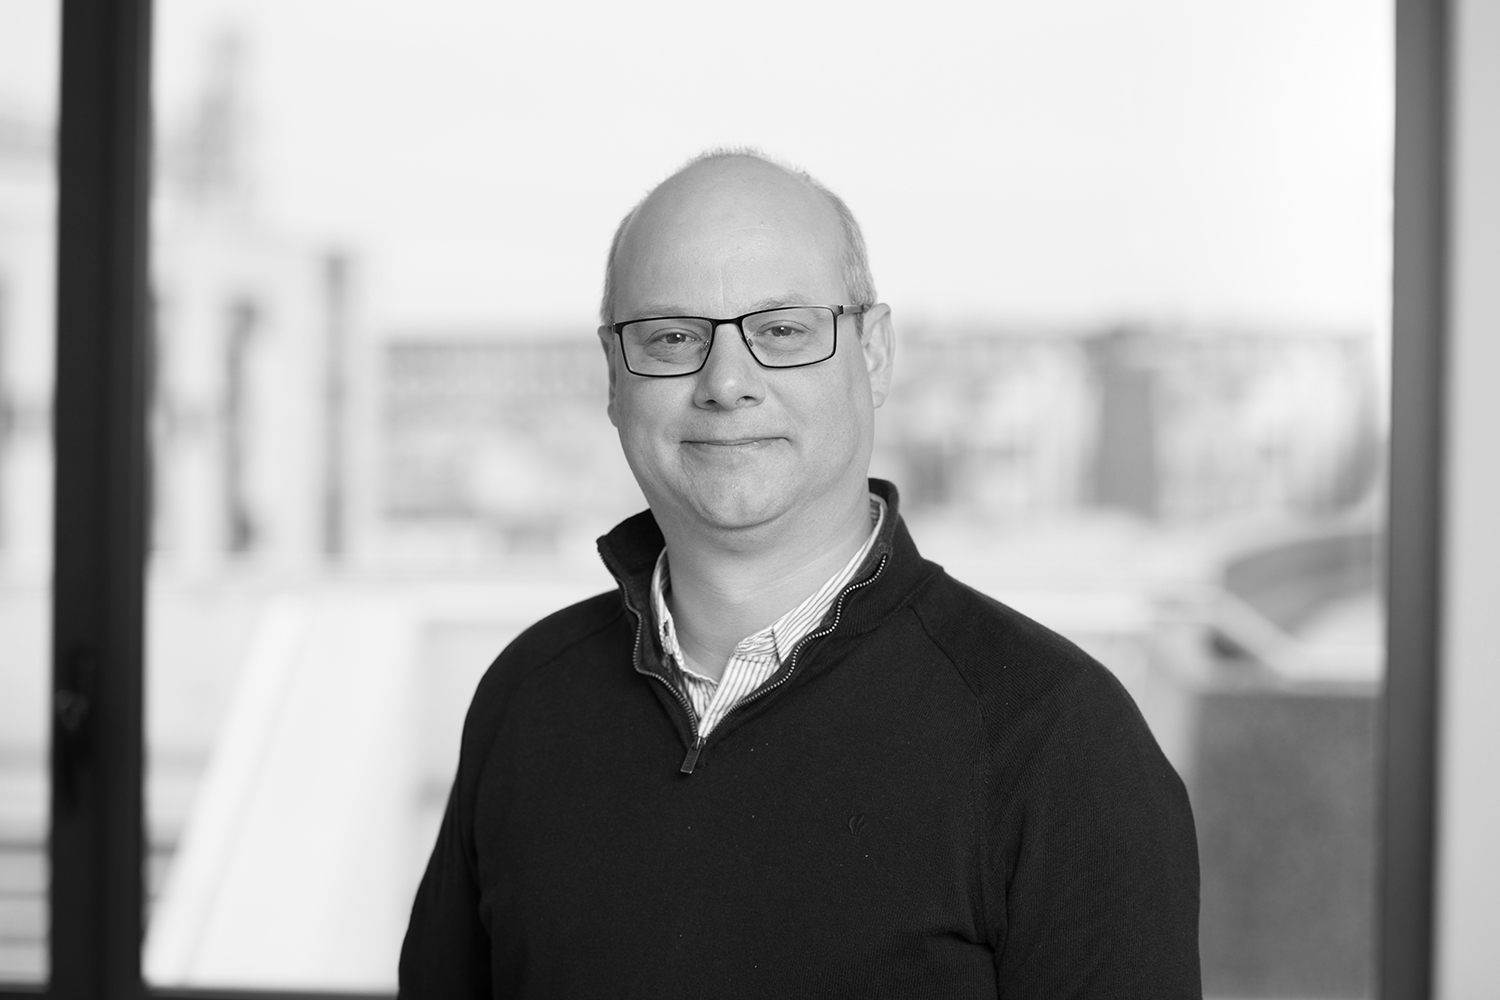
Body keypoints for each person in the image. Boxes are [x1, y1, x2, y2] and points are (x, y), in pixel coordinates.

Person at [399, 150, 1201, 998]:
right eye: (672, 337)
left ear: (875, 354)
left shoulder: (1058, 743)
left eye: (782, 331)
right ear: (613, 376)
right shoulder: (528, 698)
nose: (725, 383)